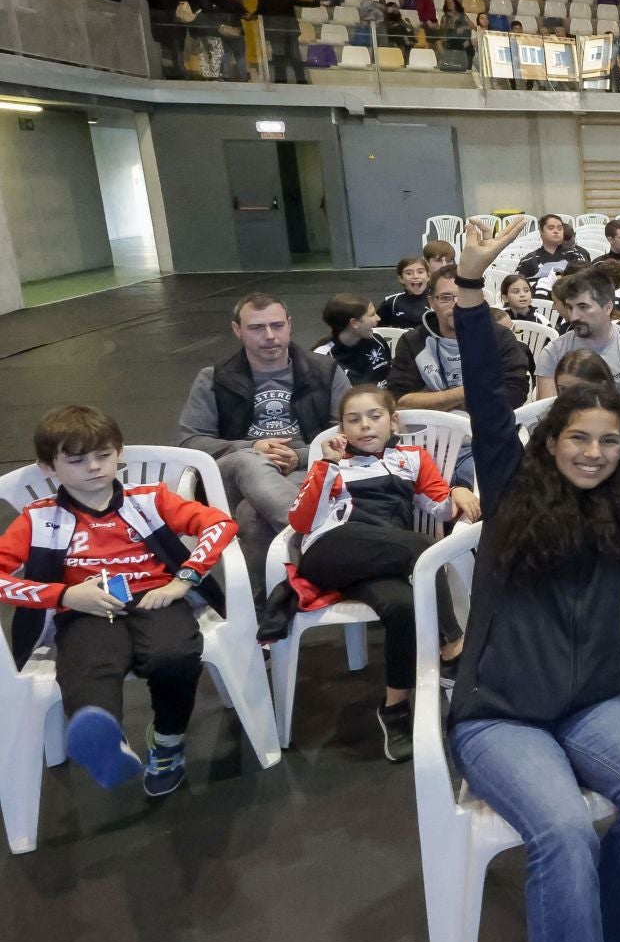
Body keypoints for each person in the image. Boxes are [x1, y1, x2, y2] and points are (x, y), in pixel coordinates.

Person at [443, 218, 620, 942]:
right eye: (579, 439)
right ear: (553, 442)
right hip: (498, 715)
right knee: (561, 830)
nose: (594, 452)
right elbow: (489, 398)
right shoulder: (511, 487)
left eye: (608, 442)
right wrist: (468, 286)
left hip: (588, 706)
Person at [0, 405, 237, 798]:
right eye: (76, 460)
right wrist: (64, 594)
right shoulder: (37, 519)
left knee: (175, 655)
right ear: (48, 468)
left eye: (103, 455)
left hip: (156, 597)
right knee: (91, 665)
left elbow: (219, 524)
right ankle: (108, 744)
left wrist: (184, 579)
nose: (93, 467)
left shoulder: (149, 499)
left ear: (119, 453)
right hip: (84, 608)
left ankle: (167, 741)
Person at [284, 384, 474, 760]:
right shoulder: (332, 463)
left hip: (385, 559)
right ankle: (452, 647)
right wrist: (325, 467)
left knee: (402, 605)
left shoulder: (413, 458)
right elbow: (300, 520)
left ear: (393, 421)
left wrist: (456, 491)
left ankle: (394, 708)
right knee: (423, 549)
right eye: (353, 420)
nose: (364, 427)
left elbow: (438, 507)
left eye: (374, 417)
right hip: (331, 551)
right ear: (342, 427)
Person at [178, 292, 347, 597]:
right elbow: (191, 441)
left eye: (277, 325)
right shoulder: (214, 379)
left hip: (302, 468)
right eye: (257, 328)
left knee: (252, 517)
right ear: (237, 330)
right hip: (235, 476)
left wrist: (298, 456)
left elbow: (348, 435)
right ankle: (319, 538)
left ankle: (269, 608)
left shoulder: (326, 371)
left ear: (289, 326)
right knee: (248, 460)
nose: (270, 336)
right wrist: (252, 447)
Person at [388, 266, 533, 422]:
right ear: (431, 302)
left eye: (463, 296)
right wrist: (472, 391)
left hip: (489, 427)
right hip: (431, 432)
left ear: (478, 300)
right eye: (445, 297)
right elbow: (399, 400)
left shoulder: (500, 337)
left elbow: (514, 395)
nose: (456, 305)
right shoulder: (412, 341)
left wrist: (433, 399)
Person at [535, 269, 620, 405]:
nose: (574, 317)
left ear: (608, 308)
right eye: (570, 307)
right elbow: (547, 412)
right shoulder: (553, 352)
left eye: (583, 307)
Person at [250, 0, 317, 84]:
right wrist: (318, 3)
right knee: (295, 56)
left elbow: (258, 13)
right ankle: (301, 80)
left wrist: (248, 17)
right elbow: (302, 3)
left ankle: (280, 80)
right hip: (290, 31)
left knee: (278, 57)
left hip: (274, 32)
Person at [315, 294, 391, 384]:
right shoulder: (322, 358)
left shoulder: (377, 338)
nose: (378, 318)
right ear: (354, 323)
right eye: (372, 315)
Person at [517, 215, 591, 290]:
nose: (556, 231)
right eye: (551, 228)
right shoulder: (528, 260)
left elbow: (585, 281)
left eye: (559, 228)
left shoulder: (576, 255)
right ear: (541, 232)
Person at [144, 0, 189, 79]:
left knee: (173, 47)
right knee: (173, 47)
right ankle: (175, 72)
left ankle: (175, 71)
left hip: (172, 21)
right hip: (170, 21)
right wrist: (175, 10)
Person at [379, 256, 432, 329]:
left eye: (420, 272)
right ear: (401, 278)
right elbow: (377, 330)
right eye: (409, 273)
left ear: (428, 276)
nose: (415, 276)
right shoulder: (391, 302)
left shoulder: (437, 300)